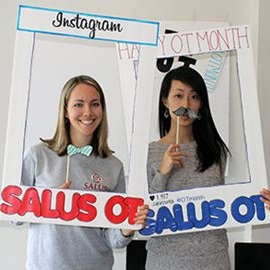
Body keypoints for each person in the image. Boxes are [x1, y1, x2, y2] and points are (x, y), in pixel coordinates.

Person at [20, 75, 149, 270]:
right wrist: (47, 201)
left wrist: (127, 228)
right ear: (65, 110)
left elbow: (112, 239)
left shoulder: (114, 166)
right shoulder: (38, 155)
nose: (88, 112)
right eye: (78, 104)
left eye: (95, 104)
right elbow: (14, 215)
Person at [145, 66, 231, 270]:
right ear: (165, 101)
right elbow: (146, 213)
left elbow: (223, 200)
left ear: (201, 104)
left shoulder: (215, 150)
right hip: (165, 260)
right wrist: (163, 172)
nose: (186, 104)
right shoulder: (149, 153)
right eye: (178, 96)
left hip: (214, 258)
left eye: (194, 97)